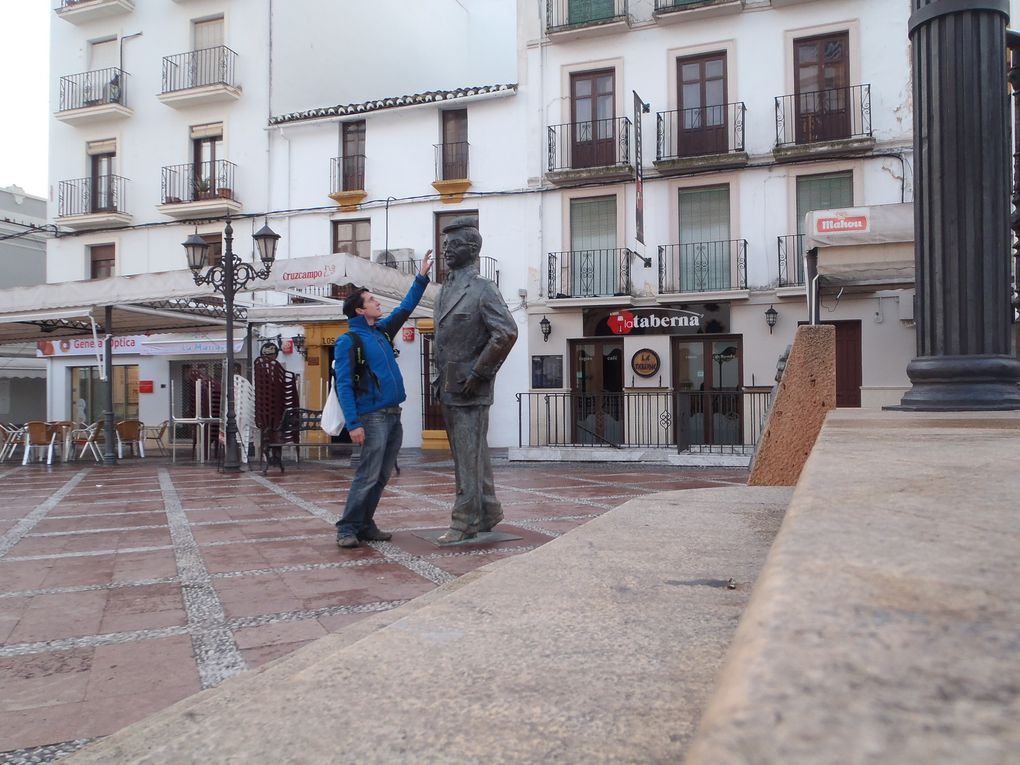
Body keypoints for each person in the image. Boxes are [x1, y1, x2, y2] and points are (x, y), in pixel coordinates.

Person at [334, 249, 433, 548]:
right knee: (368, 473)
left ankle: (365, 523)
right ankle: (347, 527)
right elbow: (343, 385)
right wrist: (353, 423)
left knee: (382, 475)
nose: (378, 302)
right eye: (372, 300)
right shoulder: (348, 341)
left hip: (393, 414)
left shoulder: (382, 332)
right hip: (372, 416)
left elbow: (405, 308)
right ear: (360, 311)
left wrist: (422, 277)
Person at [433, 217, 518, 543]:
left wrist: (480, 371)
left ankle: (465, 519)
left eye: (452, 247)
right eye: (444, 247)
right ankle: (488, 508)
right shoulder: (443, 291)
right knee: (471, 453)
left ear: (471, 249)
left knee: (467, 458)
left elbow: (506, 332)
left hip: (471, 385)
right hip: (450, 384)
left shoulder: (483, 289)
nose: (446, 252)